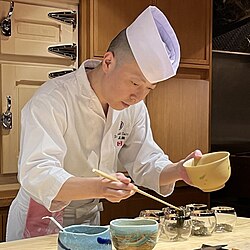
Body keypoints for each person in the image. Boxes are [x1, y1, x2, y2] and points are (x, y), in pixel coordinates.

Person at [6, 6, 202, 241]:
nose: (138, 96)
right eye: (134, 83)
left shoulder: (134, 108)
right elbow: (38, 171)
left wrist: (178, 170)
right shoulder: (52, 99)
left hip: (90, 221)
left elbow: (145, 160)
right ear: (108, 62)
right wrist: (100, 188)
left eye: (148, 89)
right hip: (41, 219)